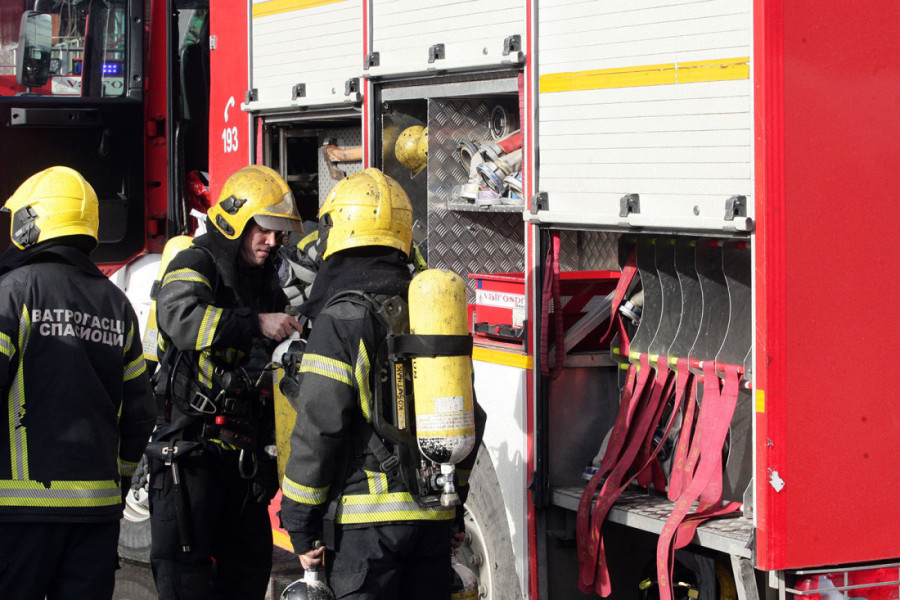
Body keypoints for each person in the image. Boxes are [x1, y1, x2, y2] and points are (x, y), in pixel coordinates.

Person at [280, 168, 483, 600]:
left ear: (337, 231)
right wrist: (455, 504)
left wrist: (299, 519)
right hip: (432, 519)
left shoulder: (342, 319)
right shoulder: (429, 311)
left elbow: (319, 426)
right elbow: (468, 414)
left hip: (365, 528)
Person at [148, 164, 305, 600]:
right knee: (187, 582)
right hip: (193, 454)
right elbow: (179, 318)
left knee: (247, 577)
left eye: (279, 233)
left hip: (245, 459)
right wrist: (254, 322)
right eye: (264, 229)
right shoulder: (195, 261)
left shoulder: (265, 278)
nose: (272, 241)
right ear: (238, 219)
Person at [0, 166, 155, 599]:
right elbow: (140, 414)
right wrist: (119, 484)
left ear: (30, 222)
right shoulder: (116, 305)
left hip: (18, 516)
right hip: (96, 516)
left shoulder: (12, 294)